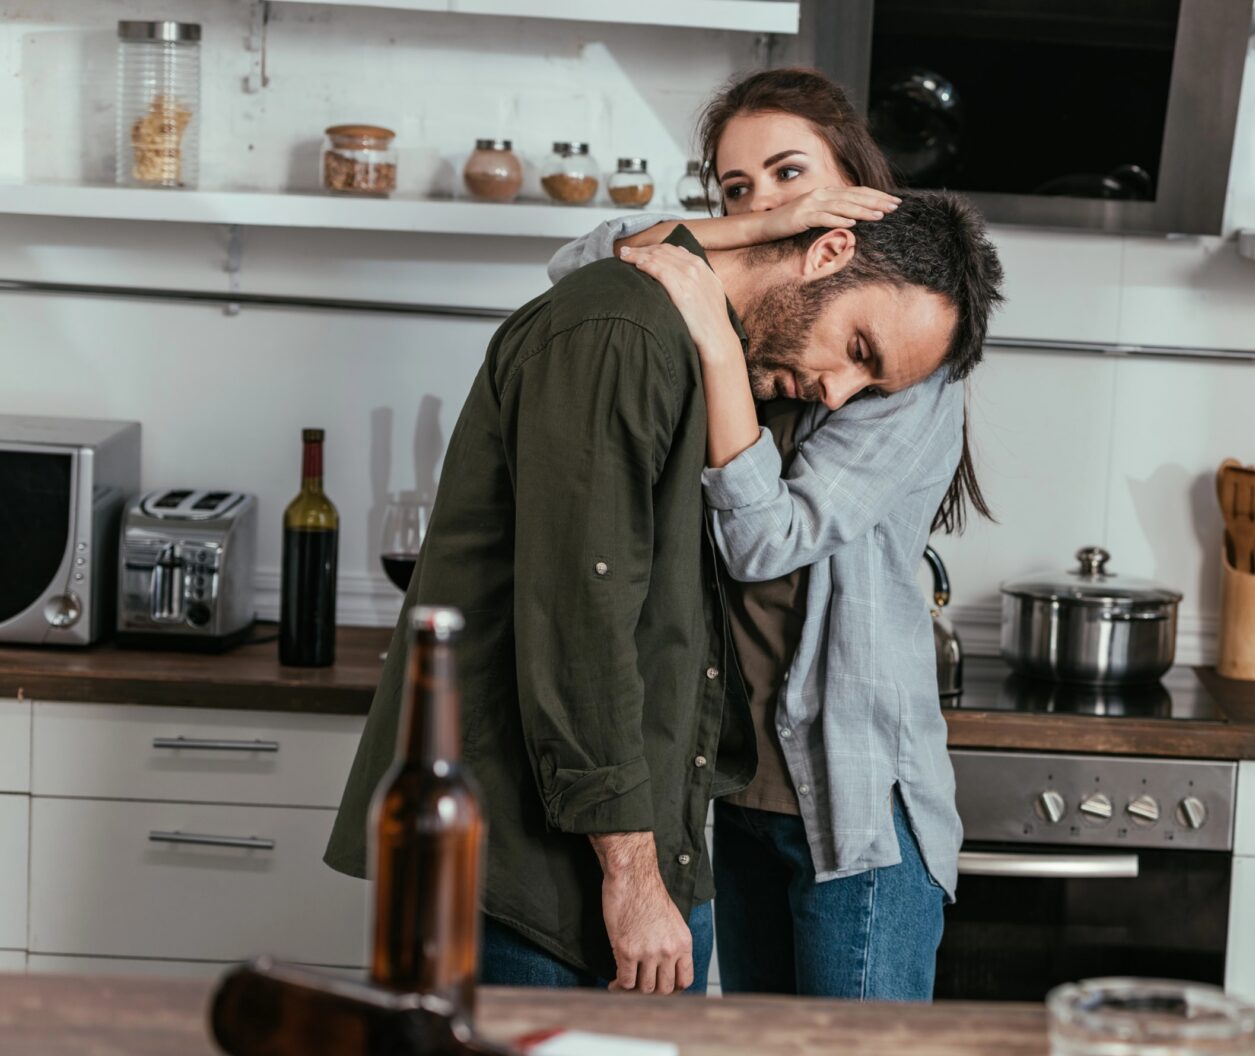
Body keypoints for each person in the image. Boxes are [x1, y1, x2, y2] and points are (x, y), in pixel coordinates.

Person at [323, 181, 1003, 998]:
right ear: (826, 247)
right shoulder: (626, 329)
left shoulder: (717, 360)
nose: (837, 392)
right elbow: (584, 618)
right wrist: (635, 878)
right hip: (541, 864)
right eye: (857, 348)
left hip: (663, 843)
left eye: (871, 381)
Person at [544, 68, 1003, 1001]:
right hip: (735, 790)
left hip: (853, 808)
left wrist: (714, 338)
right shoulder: (775, 324)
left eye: (791, 176)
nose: (765, 204)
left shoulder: (905, 363)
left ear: (851, 193)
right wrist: (751, 237)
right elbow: (579, 267)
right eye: (735, 189)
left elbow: (764, 542)